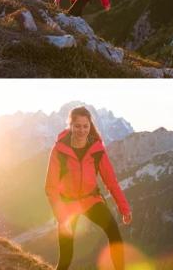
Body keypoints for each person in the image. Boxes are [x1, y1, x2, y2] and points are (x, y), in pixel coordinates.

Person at [45, 106, 131, 270]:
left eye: (86, 126)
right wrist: (62, 219)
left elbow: (111, 182)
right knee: (66, 257)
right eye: (77, 126)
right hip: (68, 205)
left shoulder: (97, 150)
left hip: (91, 201)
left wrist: (124, 208)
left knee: (115, 236)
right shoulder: (59, 150)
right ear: (70, 126)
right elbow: (51, 187)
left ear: (90, 126)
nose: (82, 130)